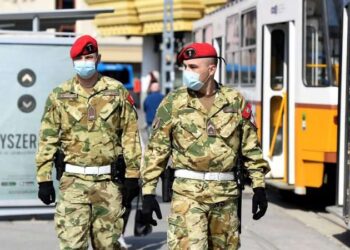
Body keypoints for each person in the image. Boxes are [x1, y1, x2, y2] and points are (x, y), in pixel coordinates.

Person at [140, 42, 270, 249]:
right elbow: (157, 150)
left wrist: (259, 187)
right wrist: (147, 193)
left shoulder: (234, 101)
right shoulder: (173, 102)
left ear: (211, 69)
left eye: (193, 67)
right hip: (187, 195)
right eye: (185, 67)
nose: (187, 72)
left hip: (225, 196)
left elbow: (251, 148)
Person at [36, 35, 141, 250]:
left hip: (108, 183)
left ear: (98, 58)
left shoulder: (117, 91)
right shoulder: (59, 95)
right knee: (72, 245)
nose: (85, 61)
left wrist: (133, 176)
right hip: (73, 182)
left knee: (108, 245)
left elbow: (130, 136)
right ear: (74, 62)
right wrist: (43, 179)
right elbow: (48, 138)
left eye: (89, 56)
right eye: (81, 58)